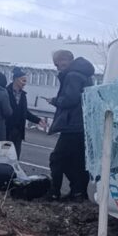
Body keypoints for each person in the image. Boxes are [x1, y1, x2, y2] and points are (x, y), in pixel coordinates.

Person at [47, 50, 95, 201]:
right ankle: (78, 192)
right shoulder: (85, 74)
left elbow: (70, 99)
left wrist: (56, 101)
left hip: (72, 125)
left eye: (58, 64)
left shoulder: (72, 75)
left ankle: (54, 192)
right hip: (83, 124)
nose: (57, 68)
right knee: (78, 161)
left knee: (57, 158)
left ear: (65, 60)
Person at [5, 66, 47, 160]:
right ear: (16, 80)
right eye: (23, 81)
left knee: (15, 157)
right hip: (7, 130)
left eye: (25, 81)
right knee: (5, 155)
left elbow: (25, 112)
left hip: (18, 131)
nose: (25, 83)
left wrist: (38, 120)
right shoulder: (6, 92)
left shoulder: (23, 95)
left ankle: (13, 174)